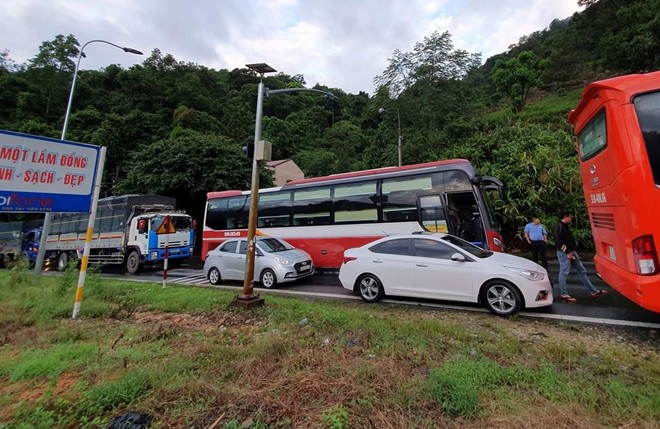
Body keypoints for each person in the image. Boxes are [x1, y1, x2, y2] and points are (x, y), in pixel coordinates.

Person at [552, 211, 608, 303]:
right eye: (570, 217)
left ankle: (593, 291)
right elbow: (558, 242)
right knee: (564, 272)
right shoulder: (558, 227)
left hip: (572, 252)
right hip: (565, 253)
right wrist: (567, 253)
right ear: (565, 217)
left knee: (582, 270)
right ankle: (563, 294)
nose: (571, 219)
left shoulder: (565, 226)